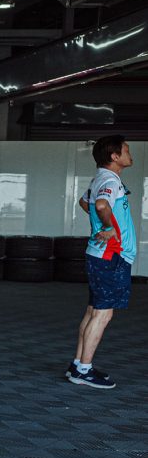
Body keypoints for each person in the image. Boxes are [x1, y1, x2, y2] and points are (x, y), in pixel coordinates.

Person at [67, 135, 136, 389]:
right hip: (111, 256)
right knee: (103, 315)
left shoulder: (101, 178)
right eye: (126, 150)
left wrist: (100, 223)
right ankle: (83, 371)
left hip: (101, 255)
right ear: (114, 157)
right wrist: (107, 226)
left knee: (93, 311)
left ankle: (78, 364)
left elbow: (84, 201)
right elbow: (101, 203)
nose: (130, 154)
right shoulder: (108, 180)